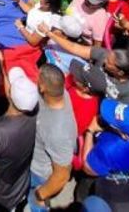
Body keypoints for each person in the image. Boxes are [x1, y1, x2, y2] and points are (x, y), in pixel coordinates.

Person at [0, 68, 39, 212]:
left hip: (1, 199)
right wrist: (2, 66)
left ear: (10, 96)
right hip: (21, 185)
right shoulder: (35, 113)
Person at [29, 64, 77, 212]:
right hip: (36, 159)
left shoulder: (58, 132)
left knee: (34, 205)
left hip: (39, 174)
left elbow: (62, 175)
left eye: (39, 79)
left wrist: (40, 194)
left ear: (43, 87)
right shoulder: (61, 94)